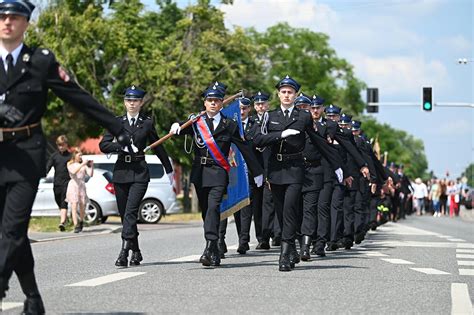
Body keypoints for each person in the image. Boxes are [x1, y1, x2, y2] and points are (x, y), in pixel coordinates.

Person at [0, 1, 131, 313]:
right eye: (2, 16)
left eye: (14, 17)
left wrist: (116, 126)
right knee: (9, 234)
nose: (7, 22)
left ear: (26, 23)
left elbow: (76, 96)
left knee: (13, 229)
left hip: (26, 155)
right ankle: (33, 298)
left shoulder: (40, 61)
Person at [253, 76, 343, 271]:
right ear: (278, 94)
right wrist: (279, 135)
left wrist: (337, 165)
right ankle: (292, 245)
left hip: (295, 169)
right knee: (280, 211)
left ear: (295, 95)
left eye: (290, 92)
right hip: (276, 170)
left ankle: (284, 254)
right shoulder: (269, 116)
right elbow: (258, 140)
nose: (286, 95)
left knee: (290, 208)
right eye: (283, 92)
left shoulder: (303, 117)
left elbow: (318, 140)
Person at [169, 83, 263, 267]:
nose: (212, 103)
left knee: (213, 208)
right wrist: (177, 126)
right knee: (206, 211)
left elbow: (243, 147)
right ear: (204, 103)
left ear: (221, 103)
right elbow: (181, 129)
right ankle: (213, 248)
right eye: (209, 100)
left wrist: (257, 171)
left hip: (219, 172)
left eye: (216, 100)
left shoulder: (229, 125)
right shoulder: (196, 122)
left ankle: (210, 245)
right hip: (200, 172)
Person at [99, 86, 173, 267]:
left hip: (140, 172)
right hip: (121, 172)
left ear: (141, 103)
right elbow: (104, 145)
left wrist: (168, 169)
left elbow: (157, 146)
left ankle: (124, 252)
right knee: (126, 216)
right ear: (124, 102)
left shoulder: (147, 123)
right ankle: (137, 251)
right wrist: (120, 146)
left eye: (135, 101)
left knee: (131, 212)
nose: (131, 104)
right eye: (128, 100)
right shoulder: (116, 122)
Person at [45, 135, 71, 231]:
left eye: (62, 145)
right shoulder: (54, 156)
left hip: (67, 182)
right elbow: (48, 166)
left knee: (64, 202)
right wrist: (44, 173)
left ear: (66, 145)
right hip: (57, 183)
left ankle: (62, 222)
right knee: (57, 200)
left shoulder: (70, 156)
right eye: (59, 145)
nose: (61, 147)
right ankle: (65, 218)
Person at [65, 147, 93, 233]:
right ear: (75, 155)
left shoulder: (83, 165)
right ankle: (76, 225)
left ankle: (81, 221)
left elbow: (90, 174)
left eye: (81, 155)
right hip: (74, 185)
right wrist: (82, 164)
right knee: (74, 205)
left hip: (81, 185)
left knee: (82, 205)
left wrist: (91, 166)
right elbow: (73, 172)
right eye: (79, 155)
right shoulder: (70, 164)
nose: (81, 156)